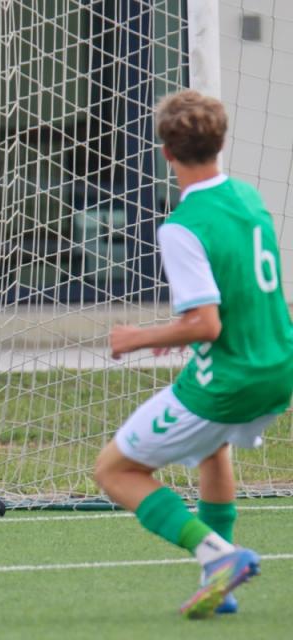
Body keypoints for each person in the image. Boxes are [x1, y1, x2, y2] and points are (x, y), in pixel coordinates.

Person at [94, 89, 293, 618]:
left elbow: (207, 322)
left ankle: (218, 554)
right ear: (220, 143)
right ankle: (219, 580)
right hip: (278, 365)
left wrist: (135, 338)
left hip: (231, 380)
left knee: (114, 471)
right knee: (213, 448)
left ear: (165, 152)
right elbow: (239, 298)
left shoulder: (182, 226)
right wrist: (178, 332)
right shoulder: (250, 199)